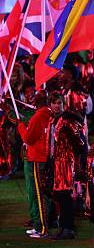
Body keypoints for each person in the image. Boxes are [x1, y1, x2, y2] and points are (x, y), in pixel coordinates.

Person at [51, 93, 87, 240]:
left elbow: (80, 141)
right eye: (54, 103)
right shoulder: (55, 119)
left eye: (59, 102)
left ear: (64, 104)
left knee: (65, 195)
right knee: (60, 195)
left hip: (66, 162)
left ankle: (69, 228)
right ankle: (63, 226)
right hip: (59, 162)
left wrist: (75, 159)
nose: (56, 105)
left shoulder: (67, 120)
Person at [17, 91, 53, 239]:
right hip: (42, 158)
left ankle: (42, 229)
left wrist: (20, 126)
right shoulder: (47, 114)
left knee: (39, 195)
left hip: (37, 158)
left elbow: (28, 138)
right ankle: (39, 225)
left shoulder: (38, 116)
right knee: (42, 194)